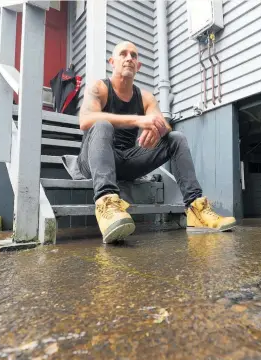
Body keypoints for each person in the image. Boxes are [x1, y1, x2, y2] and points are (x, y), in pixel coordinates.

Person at [77, 41, 236, 243]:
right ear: (112, 61)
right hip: (92, 159)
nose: (129, 58)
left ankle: (196, 209)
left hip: (126, 160)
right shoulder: (99, 87)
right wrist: (138, 120)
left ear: (139, 66)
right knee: (102, 124)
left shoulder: (145, 97)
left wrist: (159, 129)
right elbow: (85, 120)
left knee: (175, 138)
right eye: (123, 54)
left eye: (134, 55)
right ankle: (107, 205)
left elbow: (162, 124)